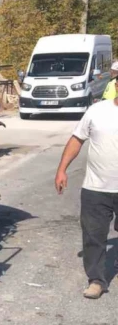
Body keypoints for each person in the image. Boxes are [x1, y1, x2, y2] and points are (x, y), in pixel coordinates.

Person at [55, 97, 118, 299]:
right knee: (93, 236)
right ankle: (96, 280)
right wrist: (62, 169)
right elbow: (77, 140)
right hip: (96, 187)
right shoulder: (96, 111)